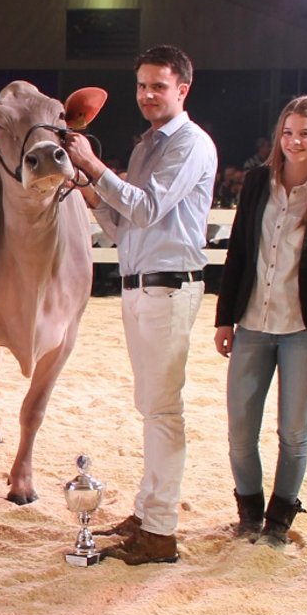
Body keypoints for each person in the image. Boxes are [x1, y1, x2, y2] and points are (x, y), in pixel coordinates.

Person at [63, 44, 217, 565]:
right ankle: (149, 515)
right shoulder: (149, 146)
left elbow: (148, 209)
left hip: (168, 287)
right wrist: (87, 186)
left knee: (164, 411)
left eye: (159, 86)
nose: (148, 95)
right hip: (140, 283)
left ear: (183, 89)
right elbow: (125, 229)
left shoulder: (189, 144)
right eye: (142, 86)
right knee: (151, 408)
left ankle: (161, 531)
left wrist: (93, 166)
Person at [214, 96, 307, 547]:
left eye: (306, 134)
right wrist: (224, 319)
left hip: (305, 329)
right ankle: (249, 512)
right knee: (240, 431)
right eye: (289, 132)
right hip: (252, 323)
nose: (295, 141)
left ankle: (280, 520)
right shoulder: (257, 182)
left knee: (293, 431)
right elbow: (238, 251)